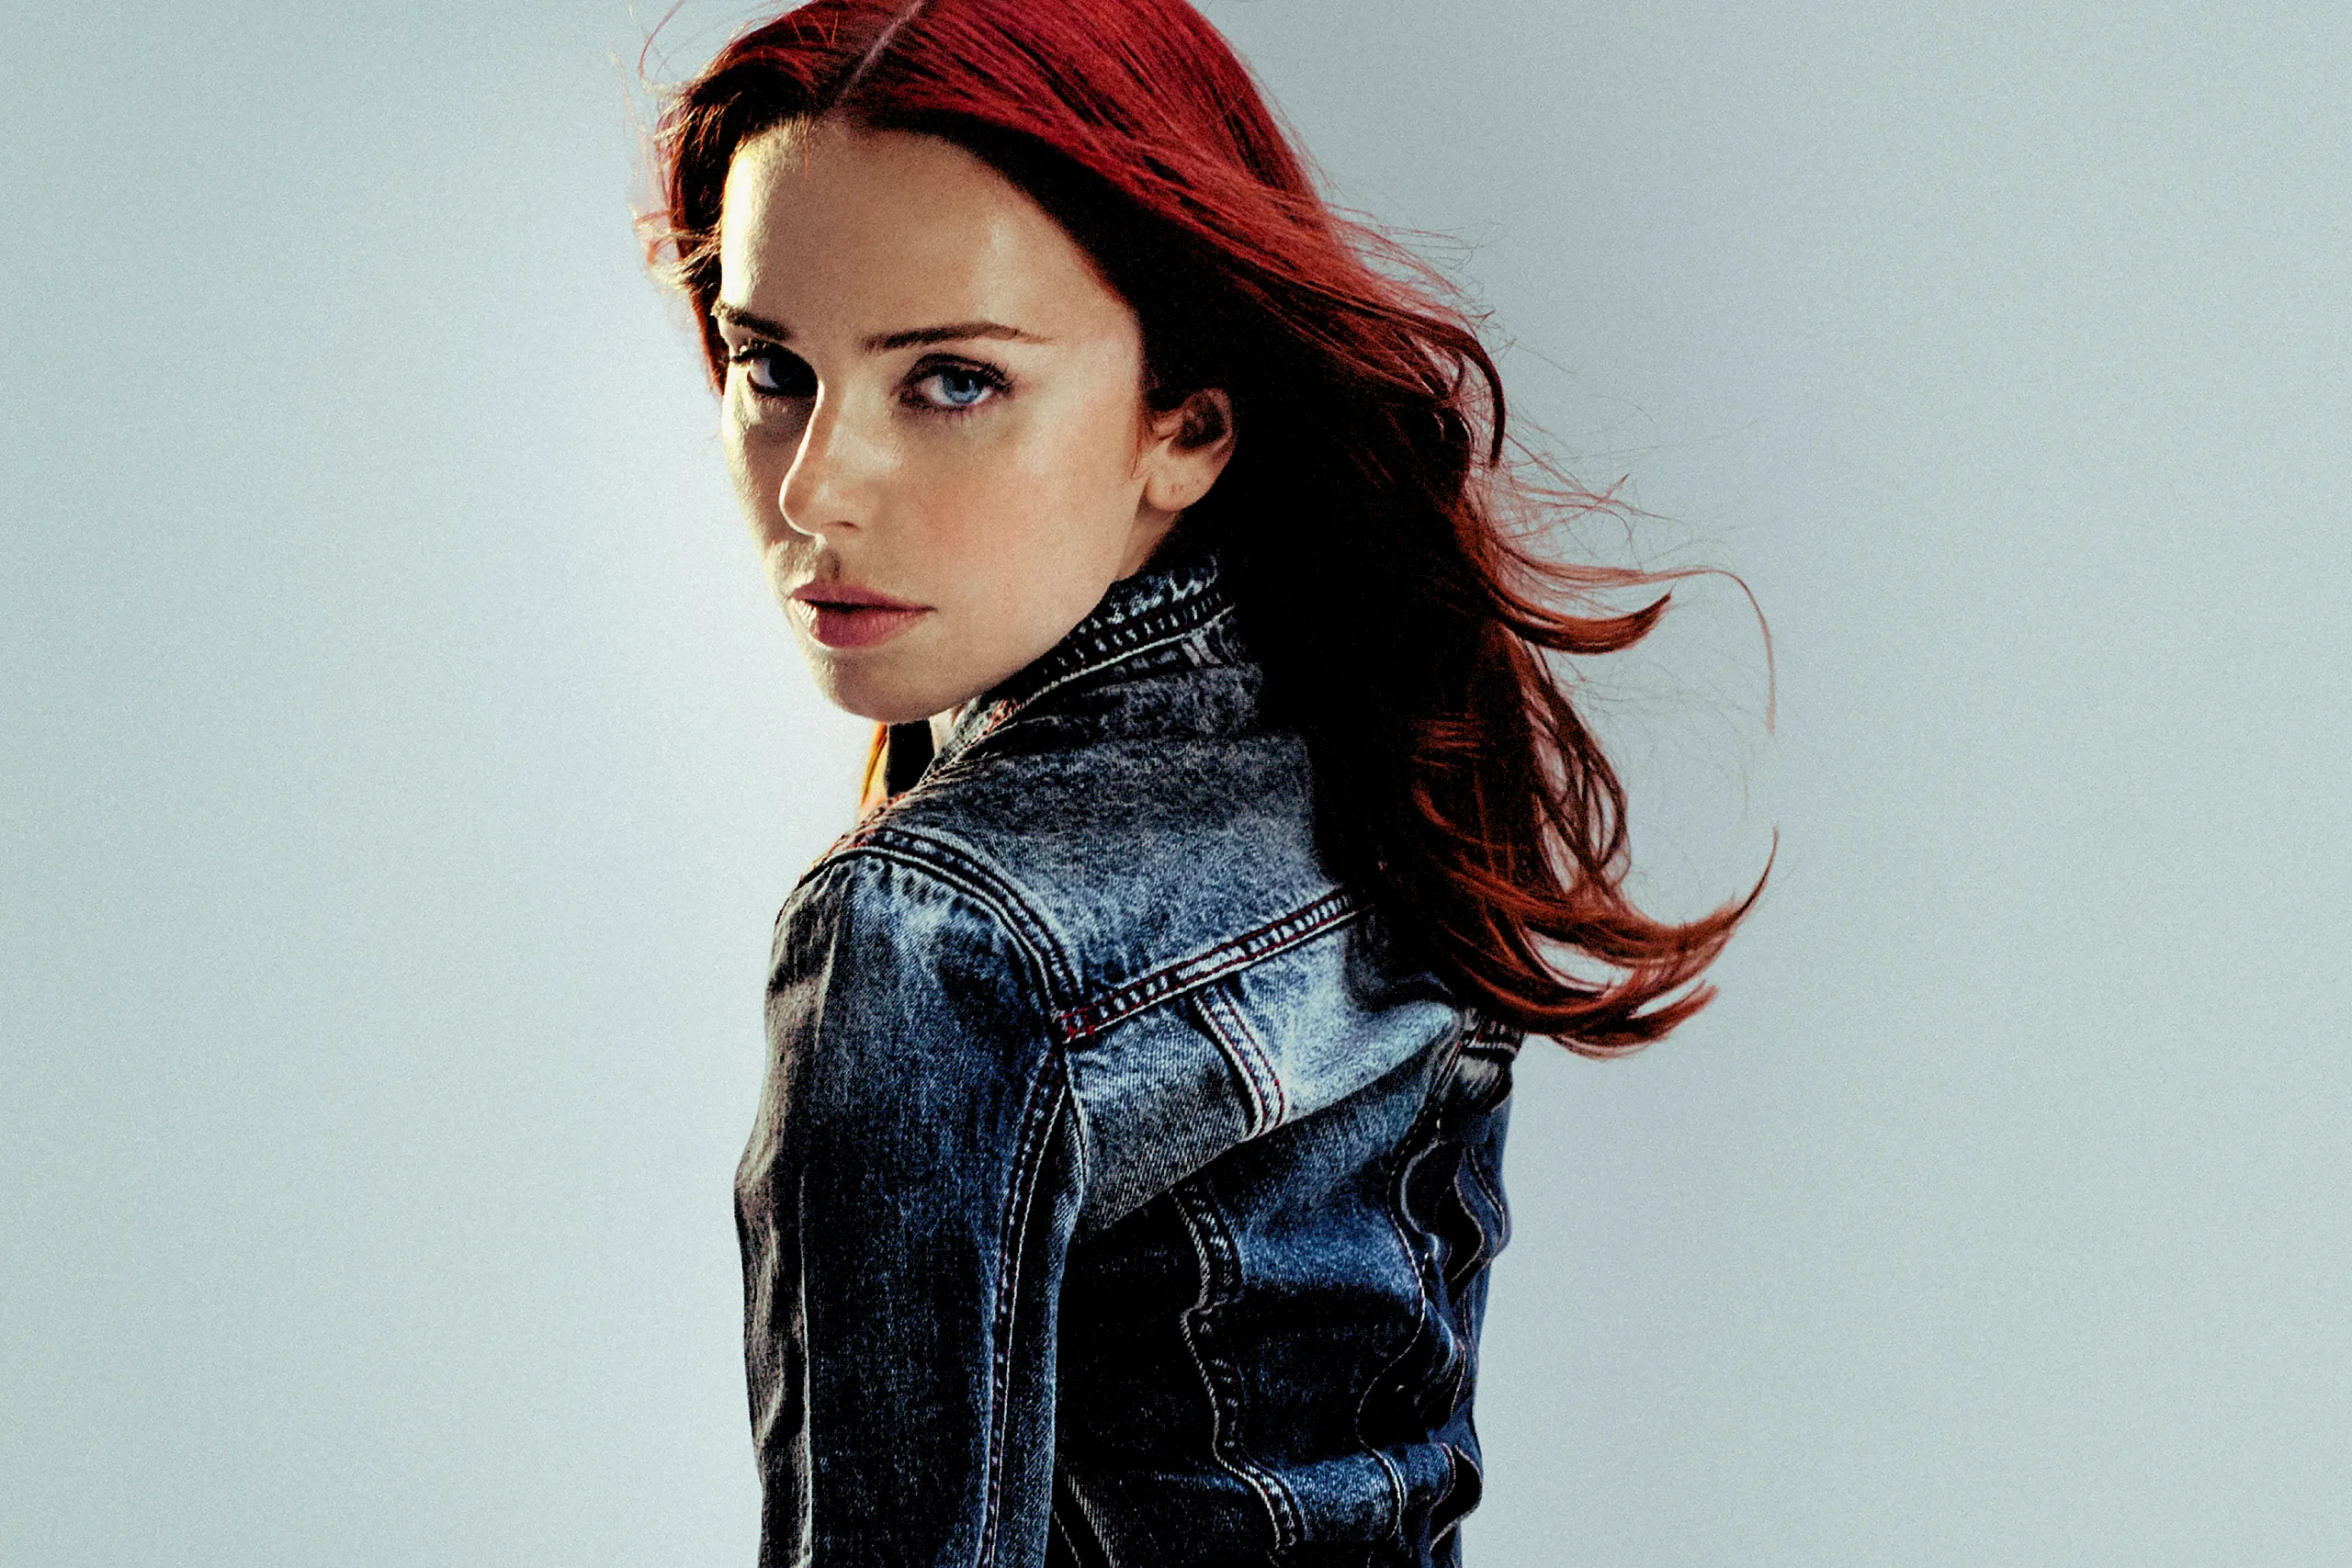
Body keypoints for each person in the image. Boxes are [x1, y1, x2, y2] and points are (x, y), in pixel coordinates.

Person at [640, 1, 1760, 1561]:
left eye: (951, 380)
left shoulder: (929, 935)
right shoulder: (1377, 726)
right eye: (773, 367)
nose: (818, 487)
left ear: (1187, 424)